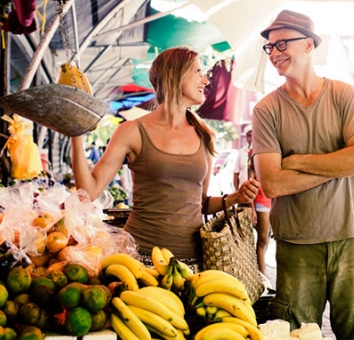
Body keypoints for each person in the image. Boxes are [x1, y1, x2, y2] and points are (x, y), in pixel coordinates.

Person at [251, 10, 354, 339]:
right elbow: (271, 183)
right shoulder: (266, 110)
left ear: (309, 45)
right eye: (270, 47)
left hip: (349, 236)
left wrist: (296, 160)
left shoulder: (344, 95)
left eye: (282, 43)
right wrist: (336, 165)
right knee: (297, 334)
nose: (275, 53)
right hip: (296, 244)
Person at [70, 46, 260, 271]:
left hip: (194, 262)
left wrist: (235, 197)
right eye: (198, 71)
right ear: (175, 74)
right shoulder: (132, 131)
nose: (205, 80)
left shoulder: (204, 134)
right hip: (139, 258)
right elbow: (88, 192)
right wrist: (75, 135)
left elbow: (202, 203)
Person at [247, 143, 272, 275]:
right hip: (261, 201)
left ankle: (261, 272)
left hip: (274, 200)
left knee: (266, 239)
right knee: (262, 240)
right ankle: (262, 276)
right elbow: (249, 184)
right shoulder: (253, 153)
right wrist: (252, 208)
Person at [233, 125, 252, 191]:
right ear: (246, 137)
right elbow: (236, 173)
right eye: (249, 136)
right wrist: (237, 191)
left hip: (257, 193)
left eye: (253, 135)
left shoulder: (260, 152)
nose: (251, 138)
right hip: (243, 190)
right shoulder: (242, 152)